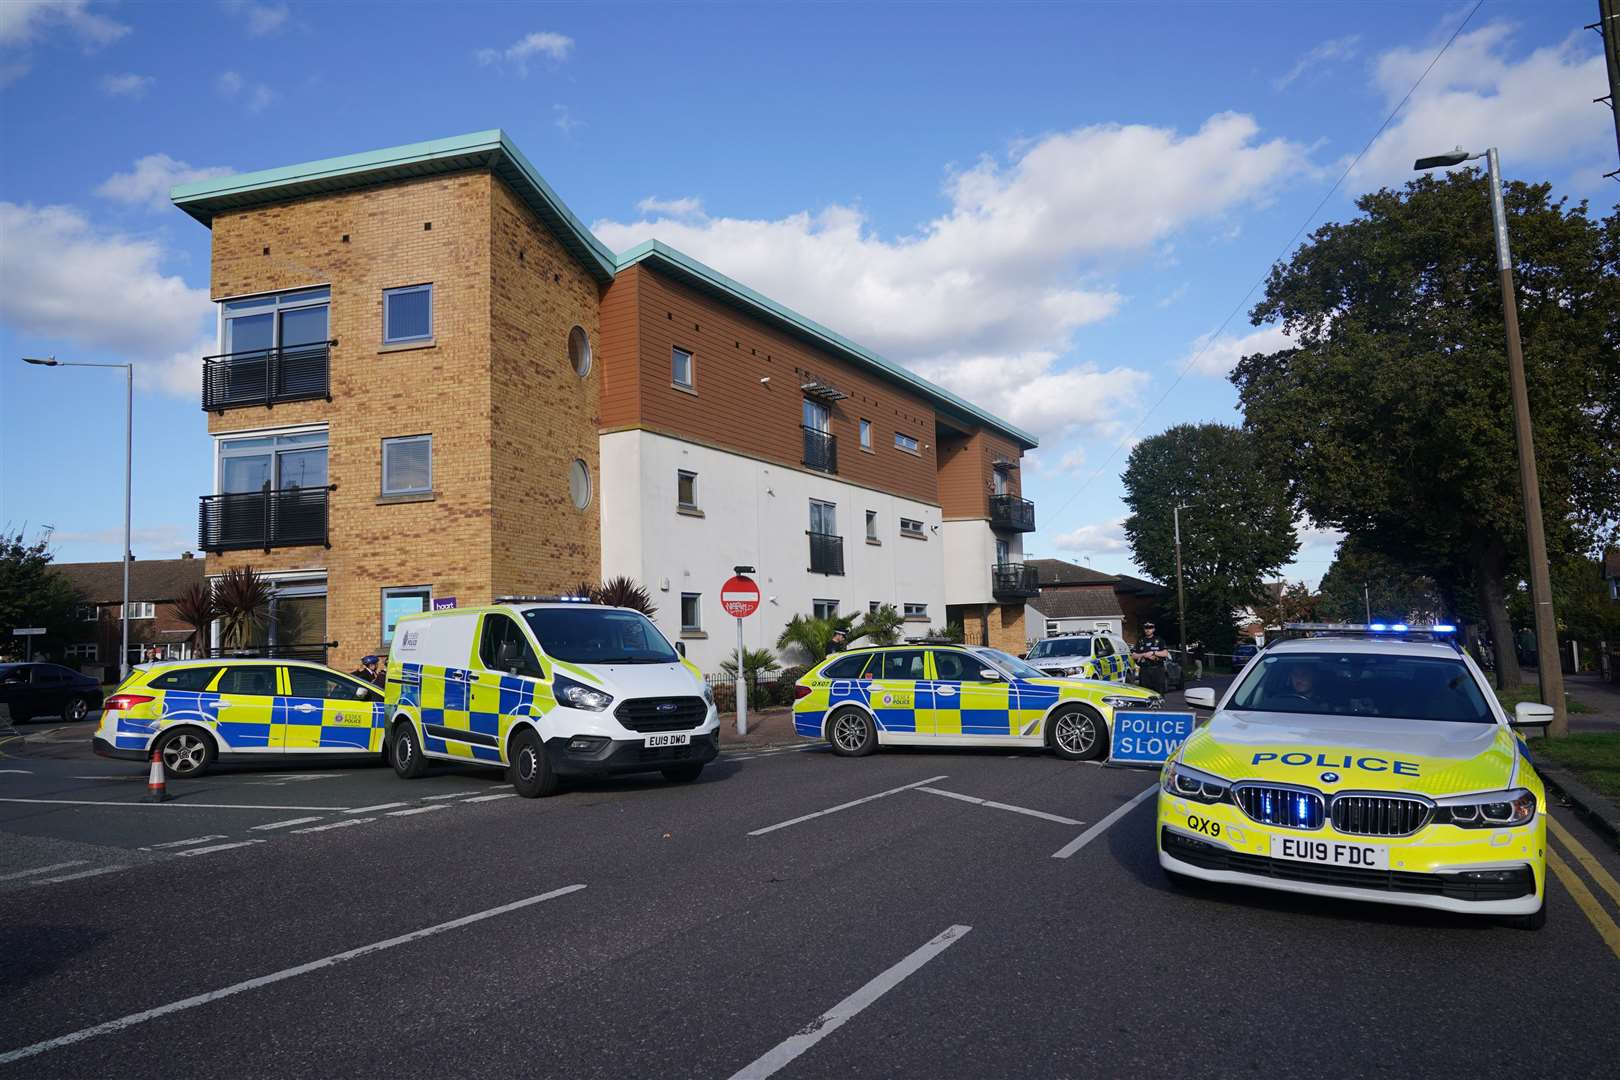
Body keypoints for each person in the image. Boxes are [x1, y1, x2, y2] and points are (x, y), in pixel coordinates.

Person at [1132, 622, 1170, 693]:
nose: (1148, 630)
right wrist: (1144, 654)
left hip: (1157, 670)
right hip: (1144, 670)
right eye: (1146, 628)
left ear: (1153, 629)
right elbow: (1133, 655)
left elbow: (1165, 653)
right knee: (1145, 692)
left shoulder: (1159, 640)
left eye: (1150, 628)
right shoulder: (1140, 641)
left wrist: (1153, 653)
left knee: (1159, 692)